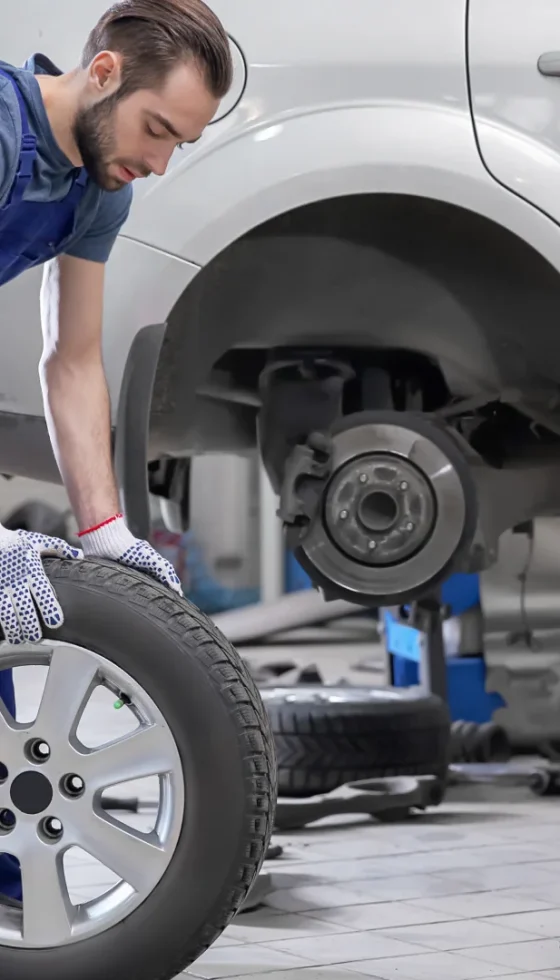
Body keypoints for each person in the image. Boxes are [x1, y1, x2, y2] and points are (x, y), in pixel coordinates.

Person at [0, 0, 233, 902]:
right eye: (157, 129)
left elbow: (74, 357)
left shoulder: (100, 187)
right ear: (103, 75)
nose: (161, 160)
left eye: (183, 143)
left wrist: (104, 531)